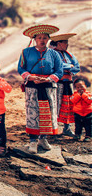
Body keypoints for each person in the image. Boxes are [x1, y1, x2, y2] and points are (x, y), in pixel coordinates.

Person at [17, 24, 63, 154]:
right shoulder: (26, 52)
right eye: (39, 37)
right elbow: (21, 68)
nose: (42, 40)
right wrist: (31, 77)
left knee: (47, 113)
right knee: (33, 113)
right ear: (35, 39)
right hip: (32, 86)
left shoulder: (54, 54)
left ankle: (43, 139)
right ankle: (33, 141)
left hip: (48, 87)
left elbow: (59, 70)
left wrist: (48, 79)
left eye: (45, 38)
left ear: (48, 39)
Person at [50, 33, 80, 137]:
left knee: (68, 104)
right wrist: (68, 66)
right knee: (56, 104)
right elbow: (56, 66)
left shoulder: (69, 55)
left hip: (69, 83)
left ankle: (67, 128)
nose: (67, 44)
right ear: (59, 43)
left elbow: (77, 67)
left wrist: (67, 67)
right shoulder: (52, 53)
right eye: (65, 42)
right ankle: (54, 128)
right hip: (57, 83)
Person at [72, 77, 92, 142]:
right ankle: (77, 134)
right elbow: (73, 100)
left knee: (88, 125)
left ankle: (88, 136)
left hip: (88, 113)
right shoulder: (75, 94)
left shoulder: (88, 94)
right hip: (78, 113)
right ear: (75, 88)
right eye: (78, 87)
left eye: (81, 86)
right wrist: (78, 95)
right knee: (78, 126)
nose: (80, 88)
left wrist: (83, 95)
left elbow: (89, 100)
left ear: (85, 86)